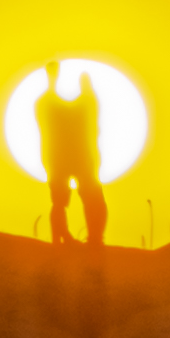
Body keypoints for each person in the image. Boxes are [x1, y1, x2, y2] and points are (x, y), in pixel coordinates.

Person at [37, 63, 111, 248]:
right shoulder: (84, 105)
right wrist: (52, 83)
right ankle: (78, 239)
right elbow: (48, 106)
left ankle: (89, 238)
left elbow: (47, 105)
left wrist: (52, 82)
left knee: (67, 200)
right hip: (74, 156)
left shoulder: (84, 105)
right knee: (68, 200)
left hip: (69, 156)